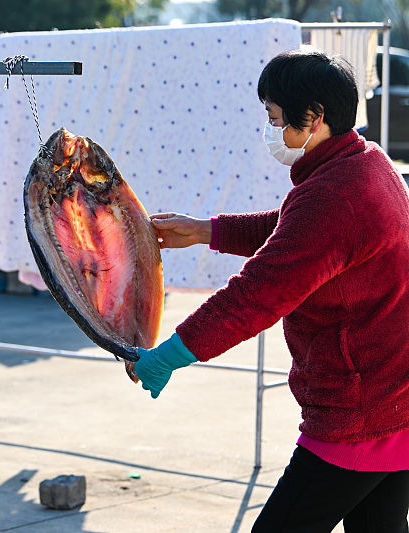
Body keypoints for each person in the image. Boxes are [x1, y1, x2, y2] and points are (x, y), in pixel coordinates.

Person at [136, 49, 409, 532]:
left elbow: (257, 295)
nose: (269, 129)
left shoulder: (333, 196)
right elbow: (297, 234)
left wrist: (172, 353)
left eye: (275, 118)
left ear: (315, 118)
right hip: (394, 403)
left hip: (358, 413)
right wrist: (206, 230)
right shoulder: (366, 162)